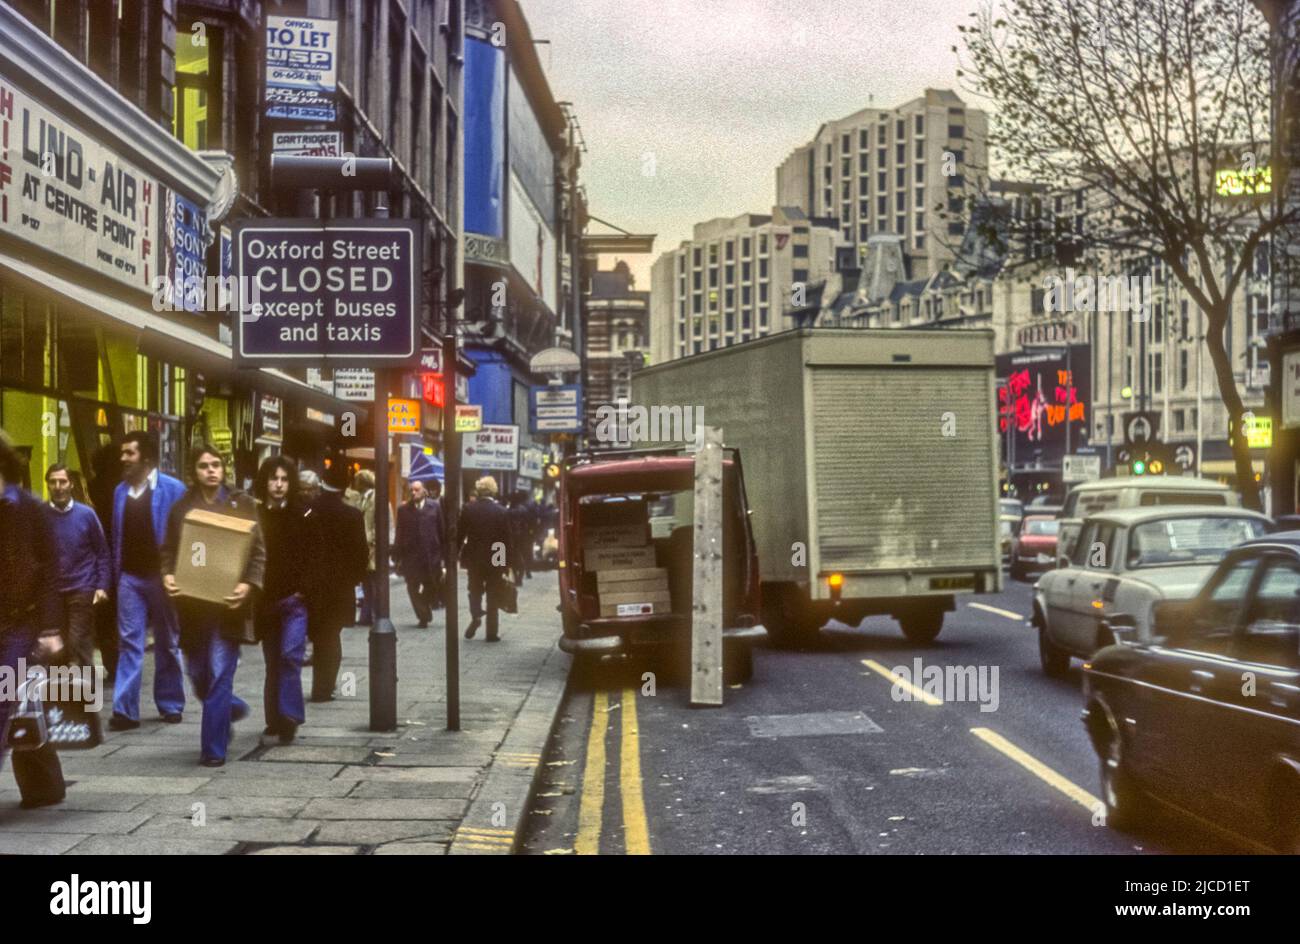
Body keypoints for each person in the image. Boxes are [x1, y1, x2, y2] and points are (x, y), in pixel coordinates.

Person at [161, 445, 264, 767]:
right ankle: (229, 709)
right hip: (193, 609)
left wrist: (248, 584)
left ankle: (213, 750)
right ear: (195, 471)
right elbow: (168, 550)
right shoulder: (182, 508)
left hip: (228, 608)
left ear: (223, 469)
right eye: (204, 465)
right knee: (199, 674)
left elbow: (258, 552)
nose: (211, 470)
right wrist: (167, 575)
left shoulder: (242, 504)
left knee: (220, 674)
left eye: (216, 464)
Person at [0, 432, 67, 808]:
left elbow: (50, 573)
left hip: (19, 624)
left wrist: (51, 627)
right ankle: (45, 786)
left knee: (3, 697)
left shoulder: (30, 510)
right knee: (20, 703)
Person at [110, 430, 187, 731]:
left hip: (162, 578)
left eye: (129, 453)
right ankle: (125, 710)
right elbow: (117, 536)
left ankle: (170, 703)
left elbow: (186, 534)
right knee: (130, 643)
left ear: (146, 457)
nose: (123, 458)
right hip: (129, 578)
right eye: (123, 452)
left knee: (168, 642)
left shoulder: (173, 489)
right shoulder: (120, 491)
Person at [254, 456, 311, 744]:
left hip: (294, 601)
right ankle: (273, 719)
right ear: (265, 481)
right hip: (265, 600)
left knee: (290, 655)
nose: (278, 484)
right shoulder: (255, 516)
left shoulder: (302, 514)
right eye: (274, 479)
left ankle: (289, 716)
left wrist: (304, 589)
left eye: (284, 479)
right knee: (272, 661)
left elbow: (315, 556)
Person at [304, 462, 367, 701]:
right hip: (340, 587)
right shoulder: (352, 515)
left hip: (312, 586)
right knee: (332, 636)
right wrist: (354, 580)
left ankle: (320, 685)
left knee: (319, 635)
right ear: (345, 488)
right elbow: (361, 553)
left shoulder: (309, 511)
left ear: (322, 483)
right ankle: (325, 685)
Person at [43, 464, 111, 668]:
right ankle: (59, 697)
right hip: (52, 592)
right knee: (56, 647)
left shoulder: (86, 515)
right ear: (47, 485)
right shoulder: (40, 515)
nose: (58, 486)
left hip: (82, 587)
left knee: (78, 642)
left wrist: (102, 586)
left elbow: (102, 553)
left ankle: (84, 696)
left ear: (71, 484)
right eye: (53, 482)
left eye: (62, 481)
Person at [458, 476, 512, 641]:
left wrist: (457, 553)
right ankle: (491, 633)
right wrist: (504, 564)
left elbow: (461, 535)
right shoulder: (502, 511)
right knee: (493, 594)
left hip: (474, 556)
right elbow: (505, 540)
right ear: (493, 490)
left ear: (479, 490)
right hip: (495, 556)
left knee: (474, 589)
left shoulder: (468, 509)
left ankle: (476, 615)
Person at [87, 443, 122, 681]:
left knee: (105, 617)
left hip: (101, 552)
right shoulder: (122, 487)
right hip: (119, 553)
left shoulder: (95, 486)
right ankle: (118, 664)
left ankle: (112, 662)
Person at [393, 478, 444, 628]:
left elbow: (441, 531)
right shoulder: (403, 510)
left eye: (417, 490)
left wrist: (443, 554)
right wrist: (397, 554)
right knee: (412, 587)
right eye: (411, 490)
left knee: (431, 585)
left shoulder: (434, 507)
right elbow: (399, 532)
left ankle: (425, 605)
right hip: (411, 556)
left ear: (424, 491)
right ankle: (423, 614)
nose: (413, 493)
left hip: (431, 555)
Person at [348, 470, 377, 625]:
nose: (355, 484)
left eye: (357, 481)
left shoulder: (377, 498)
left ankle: (373, 615)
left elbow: (382, 523)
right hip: (363, 548)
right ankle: (366, 616)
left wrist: (374, 540)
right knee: (366, 584)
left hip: (373, 548)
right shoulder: (361, 499)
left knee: (373, 584)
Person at [507, 489, 534, 587]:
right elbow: (528, 524)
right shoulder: (524, 510)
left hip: (512, 538)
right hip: (523, 537)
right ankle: (522, 575)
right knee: (524, 556)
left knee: (514, 557)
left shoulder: (508, 511)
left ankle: (516, 576)